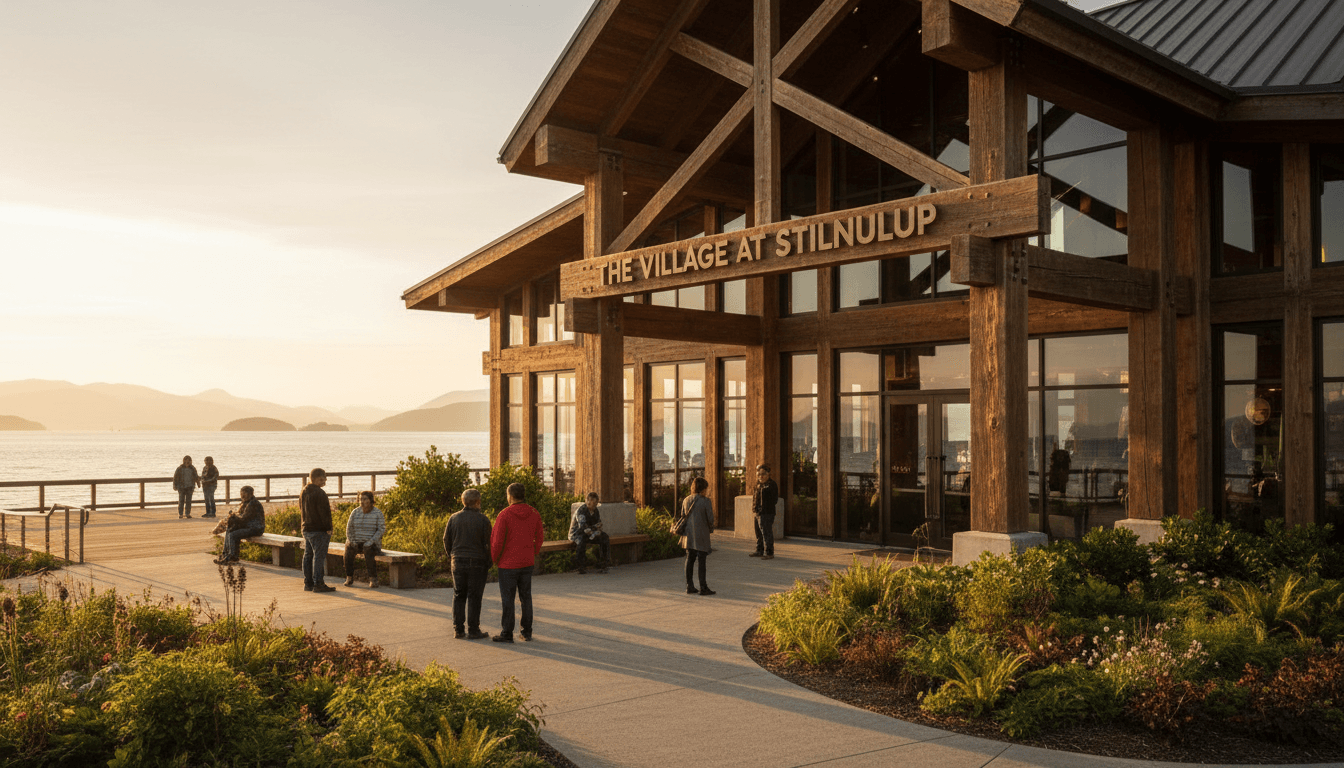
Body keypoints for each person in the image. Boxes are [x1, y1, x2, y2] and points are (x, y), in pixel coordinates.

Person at [490, 482, 544, 643]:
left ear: (510, 496)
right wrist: (533, 552)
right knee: (526, 597)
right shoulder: (534, 513)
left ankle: (507, 633)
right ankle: (526, 632)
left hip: (507, 564)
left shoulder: (504, 515)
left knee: (508, 599)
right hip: (527, 562)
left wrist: (494, 559)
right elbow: (539, 537)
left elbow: (497, 541)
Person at [443, 488, 492, 640]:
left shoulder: (454, 518)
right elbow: (489, 543)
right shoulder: (483, 520)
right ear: (478, 502)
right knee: (474, 596)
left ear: (463, 501)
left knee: (459, 595)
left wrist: (451, 555)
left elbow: (446, 539)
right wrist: (488, 561)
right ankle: (473, 630)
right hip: (477, 561)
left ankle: (458, 629)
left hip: (457, 560)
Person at [299, 468, 336, 593]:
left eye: (325, 478)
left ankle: (308, 583)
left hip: (306, 528)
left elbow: (301, 509)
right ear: (313, 479)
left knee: (308, 555)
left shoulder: (304, 491)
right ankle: (318, 583)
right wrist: (328, 528)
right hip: (319, 530)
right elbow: (324, 513)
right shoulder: (320, 493)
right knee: (319, 557)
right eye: (321, 479)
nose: (324, 481)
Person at [343, 490, 386, 589]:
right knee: (348, 549)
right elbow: (349, 529)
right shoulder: (355, 512)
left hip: (372, 543)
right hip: (357, 541)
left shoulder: (377, 513)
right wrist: (352, 541)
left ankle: (373, 579)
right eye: (360, 499)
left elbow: (381, 529)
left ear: (371, 500)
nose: (362, 501)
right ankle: (349, 577)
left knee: (368, 550)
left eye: (365, 499)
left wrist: (370, 542)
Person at [681, 476, 715, 595]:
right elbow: (710, 518)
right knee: (702, 561)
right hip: (701, 534)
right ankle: (703, 587)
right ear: (703, 489)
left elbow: (682, 516)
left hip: (689, 534)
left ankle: (689, 586)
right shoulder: (705, 501)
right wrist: (711, 528)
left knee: (690, 559)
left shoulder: (686, 500)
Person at [215, 485, 264, 564]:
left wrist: (233, 517)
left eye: (244, 495)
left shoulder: (253, 504)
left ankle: (232, 556)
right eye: (241, 495)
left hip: (256, 528)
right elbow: (242, 517)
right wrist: (234, 516)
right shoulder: (246, 503)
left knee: (233, 534)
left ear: (250, 494)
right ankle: (225, 554)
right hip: (249, 526)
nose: (242, 497)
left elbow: (244, 519)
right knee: (229, 529)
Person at [569, 492, 610, 575]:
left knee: (604, 537)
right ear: (587, 501)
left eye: (596, 503)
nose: (594, 505)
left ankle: (603, 564)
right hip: (577, 533)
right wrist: (595, 528)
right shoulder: (581, 511)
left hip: (590, 533)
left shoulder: (595, 511)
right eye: (592, 503)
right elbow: (583, 527)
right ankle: (580, 567)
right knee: (581, 540)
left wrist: (597, 529)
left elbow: (598, 523)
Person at [750, 463, 779, 560]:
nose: (761, 476)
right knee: (758, 533)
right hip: (758, 512)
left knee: (766, 533)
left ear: (768, 474)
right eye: (758, 474)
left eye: (763, 474)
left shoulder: (771, 485)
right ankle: (759, 550)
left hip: (767, 513)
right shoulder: (758, 485)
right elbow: (755, 499)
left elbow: (774, 500)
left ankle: (769, 552)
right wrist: (755, 509)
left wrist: (764, 509)